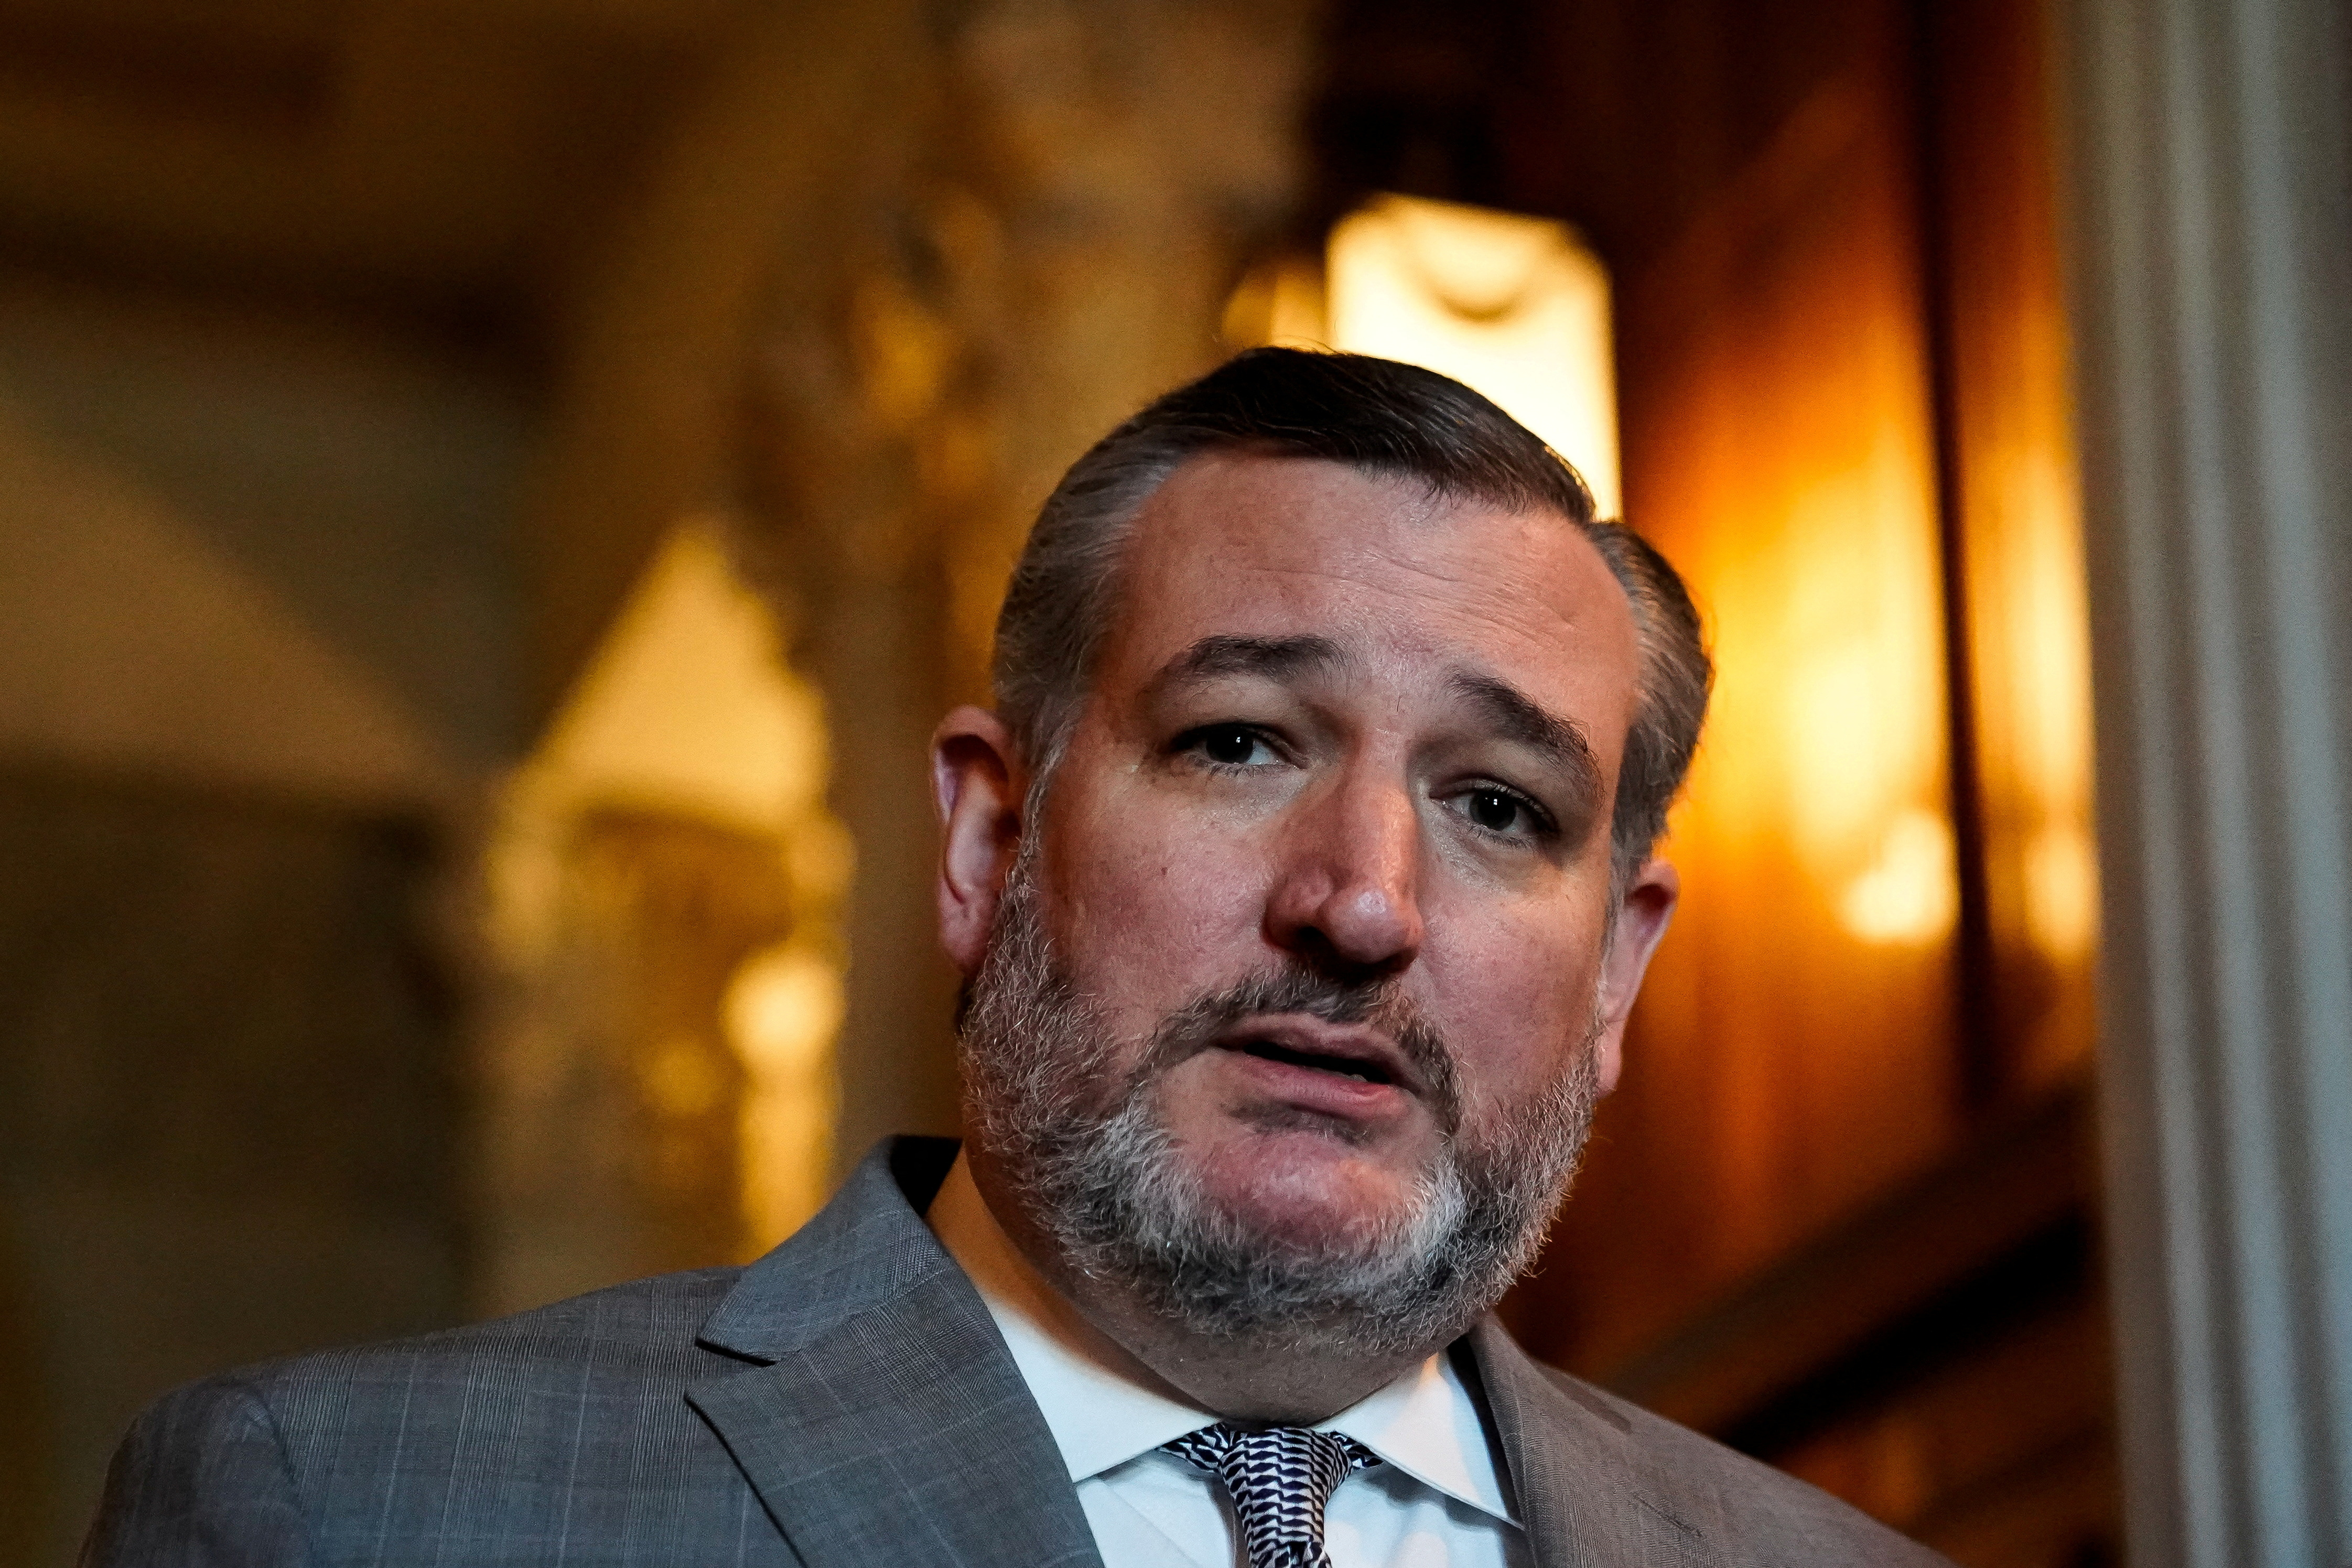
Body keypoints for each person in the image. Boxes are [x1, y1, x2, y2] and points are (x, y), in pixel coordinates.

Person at [84, 349, 1950, 1566]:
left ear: (1617, 973)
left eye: (1499, 809)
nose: (1363, 903)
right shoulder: (352, 1513)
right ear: (987, 839)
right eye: (1241, 743)